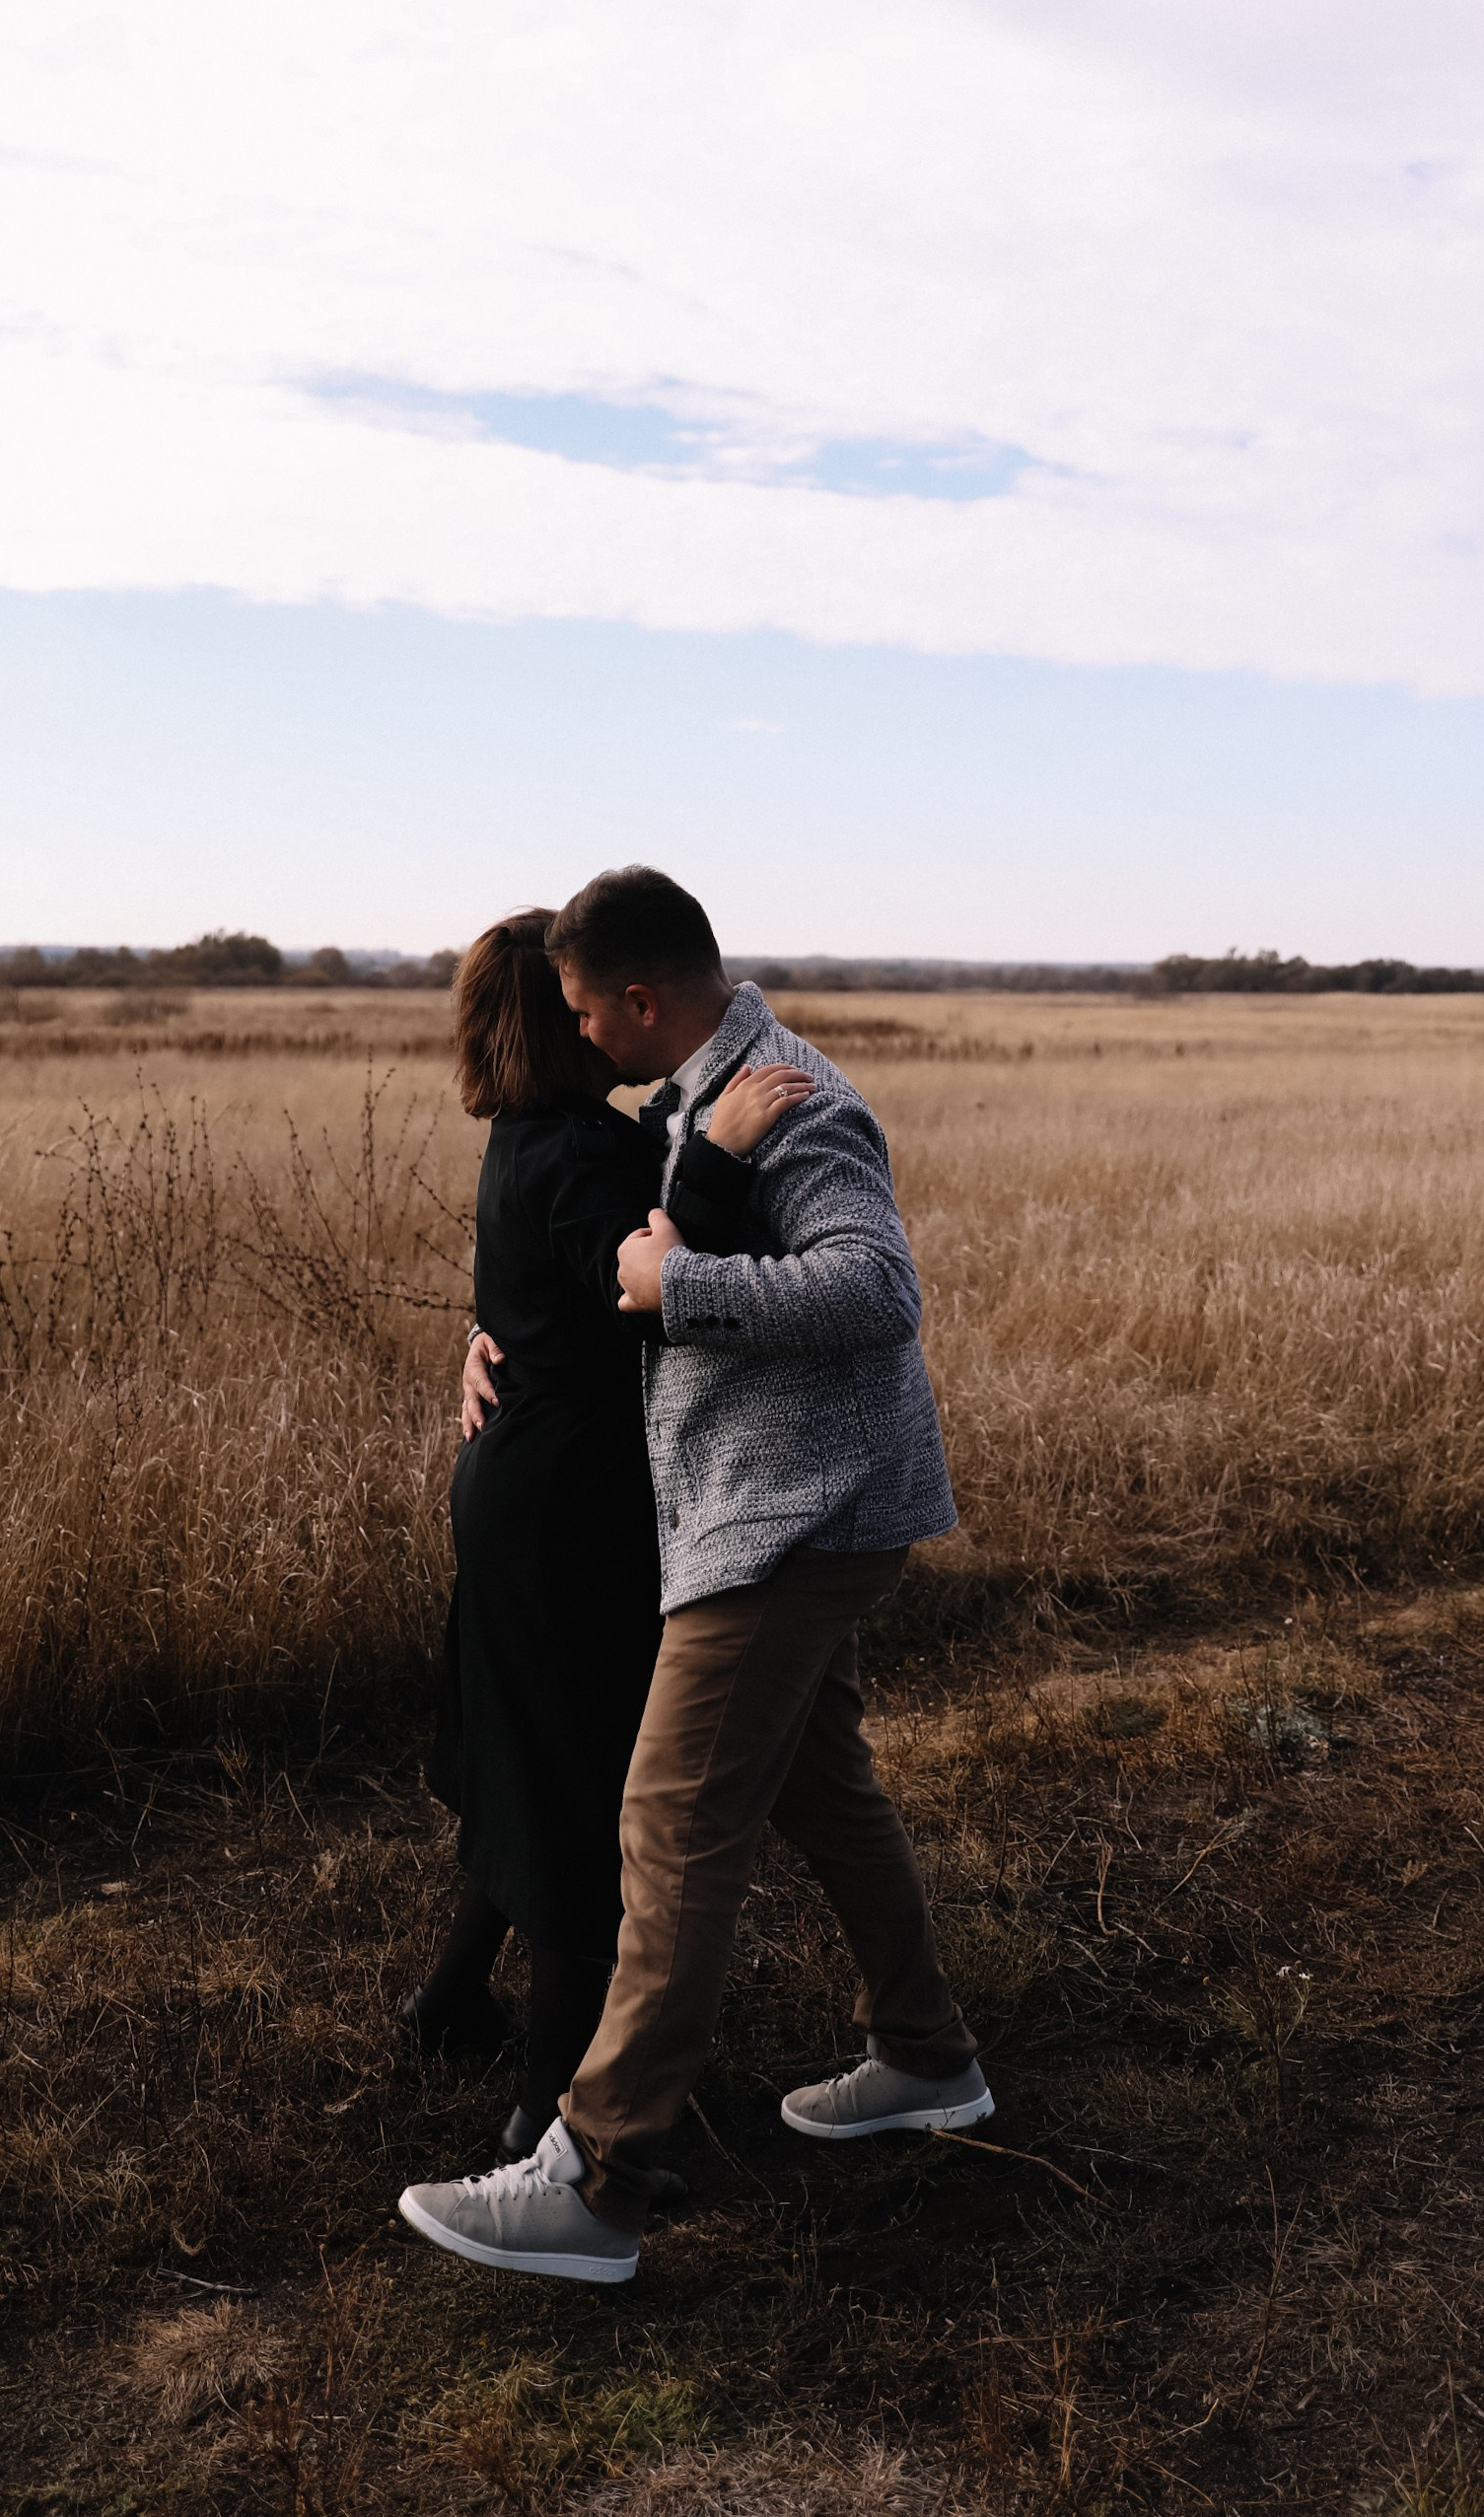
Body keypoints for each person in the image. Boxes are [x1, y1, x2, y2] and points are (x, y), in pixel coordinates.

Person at [398, 868, 989, 2285]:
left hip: (788, 1519)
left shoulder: (793, 1096)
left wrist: (685, 1288)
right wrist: (504, 1334)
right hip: (760, 1508)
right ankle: (926, 2057)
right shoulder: (684, 1102)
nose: (579, 1030)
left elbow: (876, 1288)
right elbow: (596, 1250)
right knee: (821, 1791)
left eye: (588, 1006)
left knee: (668, 1827)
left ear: (641, 998)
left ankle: (595, 2180)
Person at [401, 908, 813, 2165]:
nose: (602, 1011)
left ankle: (446, 2001)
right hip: (569, 1503)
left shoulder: (530, 1135)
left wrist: (487, 1340)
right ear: (559, 1019)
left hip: (521, 1473)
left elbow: (541, 1294)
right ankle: (546, 2110)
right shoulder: (584, 1151)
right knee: (591, 1794)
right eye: (578, 998)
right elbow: (643, 1283)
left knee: (528, 1751)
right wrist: (723, 1159)